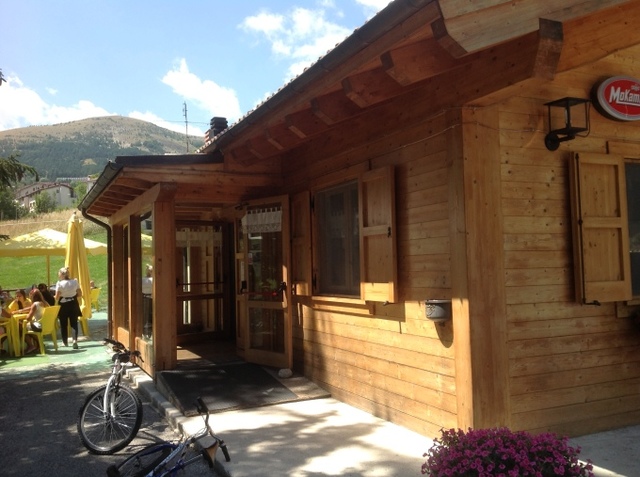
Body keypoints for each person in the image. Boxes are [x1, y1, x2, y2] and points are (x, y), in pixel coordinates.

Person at [54, 266, 83, 349]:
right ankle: (75, 341)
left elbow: (57, 297)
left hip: (63, 305)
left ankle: (65, 342)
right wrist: (72, 296)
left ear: (61, 275)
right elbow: (80, 294)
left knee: (63, 324)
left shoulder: (59, 283)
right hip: (73, 303)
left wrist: (56, 297)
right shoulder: (74, 282)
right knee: (74, 323)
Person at [15, 289, 50, 354]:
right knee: (26, 326)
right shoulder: (45, 303)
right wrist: (20, 311)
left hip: (38, 326)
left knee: (21, 327)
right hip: (47, 325)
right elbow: (31, 308)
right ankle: (40, 344)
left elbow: (28, 318)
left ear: (32, 296)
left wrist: (25, 316)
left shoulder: (35, 304)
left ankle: (31, 345)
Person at [142, 264, 153, 339]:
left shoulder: (143, 279)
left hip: (146, 297)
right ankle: (147, 332)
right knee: (148, 314)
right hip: (149, 297)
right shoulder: (152, 280)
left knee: (147, 314)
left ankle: (147, 332)